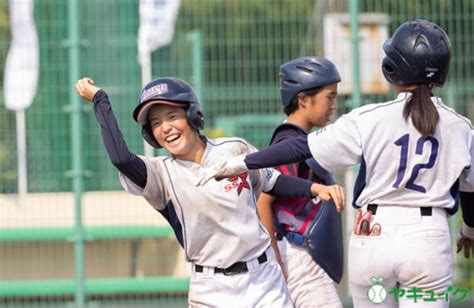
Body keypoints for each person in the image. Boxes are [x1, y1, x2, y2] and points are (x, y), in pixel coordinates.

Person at [197, 19, 474, 308]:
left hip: (373, 235)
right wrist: (469, 230)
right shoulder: (461, 127)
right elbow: (470, 188)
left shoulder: (369, 117)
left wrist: (244, 162)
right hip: (428, 239)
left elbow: (299, 148)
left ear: (393, 68)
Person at [75, 76, 345, 307]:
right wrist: (100, 100)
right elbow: (121, 159)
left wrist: (313, 188)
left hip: (263, 279)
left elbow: (272, 181)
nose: (165, 127)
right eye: (155, 123)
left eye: (172, 116)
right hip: (210, 289)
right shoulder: (158, 174)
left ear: (193, 115)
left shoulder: (234, 148)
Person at [256, 56, 343, 307]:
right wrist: (275, 262)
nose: (334, 105)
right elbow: (264, 200)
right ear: (303, 100)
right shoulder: (289, 143)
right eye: (330, 96)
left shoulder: (301, 140)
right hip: (296, 256)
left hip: (299, 254)